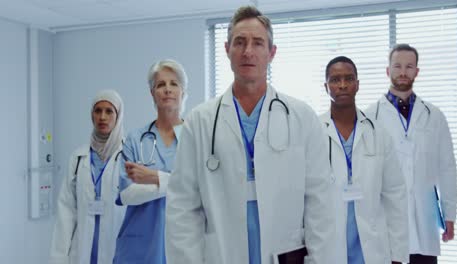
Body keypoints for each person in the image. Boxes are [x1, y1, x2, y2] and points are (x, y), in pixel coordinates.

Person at [165, 5, 335, 264]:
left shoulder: (302, 117)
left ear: (271, 52)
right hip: (221, 252)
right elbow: (182, 208)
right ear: (226, 50)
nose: (248, 52)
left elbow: (320, 201)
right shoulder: (200, 121)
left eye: (257, 43)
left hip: (286, 252)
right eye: (239, 42)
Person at [366, 44, 457, 263]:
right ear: (388, 71)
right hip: (386, 224)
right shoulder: (370, 117)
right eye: (397, 66)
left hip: (424, 223)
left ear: (417, 71)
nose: (403, 72)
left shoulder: (434, 116)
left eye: (409, 66)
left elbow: (447, 168)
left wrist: (450, 215)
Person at [320, 56, 408, 264]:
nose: (342, 85)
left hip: (373, 246)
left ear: (357, 85)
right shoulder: (313, 132)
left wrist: (397, 255)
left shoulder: (378, 133)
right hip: (327, 245)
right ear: (326, 86)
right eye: (335, 80)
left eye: (348, 79)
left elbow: (395, 195)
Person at [112, 59, 186, 264]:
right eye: (160, 85)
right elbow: (128, 194)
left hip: (183, 243)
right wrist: (178, 182)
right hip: (139, 247)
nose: (168, 90)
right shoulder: (136, 139)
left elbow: (204, 187)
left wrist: (154, 177)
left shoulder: (196, 138)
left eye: (174, 84)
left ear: (183, 91)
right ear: (152, 93)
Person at [49, 90, 126, 264]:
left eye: (109, 111)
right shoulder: (78, 157)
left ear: (118, 115)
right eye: (98, 111)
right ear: (92, 115)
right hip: (82, 248)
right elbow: (66, 212)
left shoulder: (129, 156)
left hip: (117, 248)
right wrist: (59, 257)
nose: (103, 117)